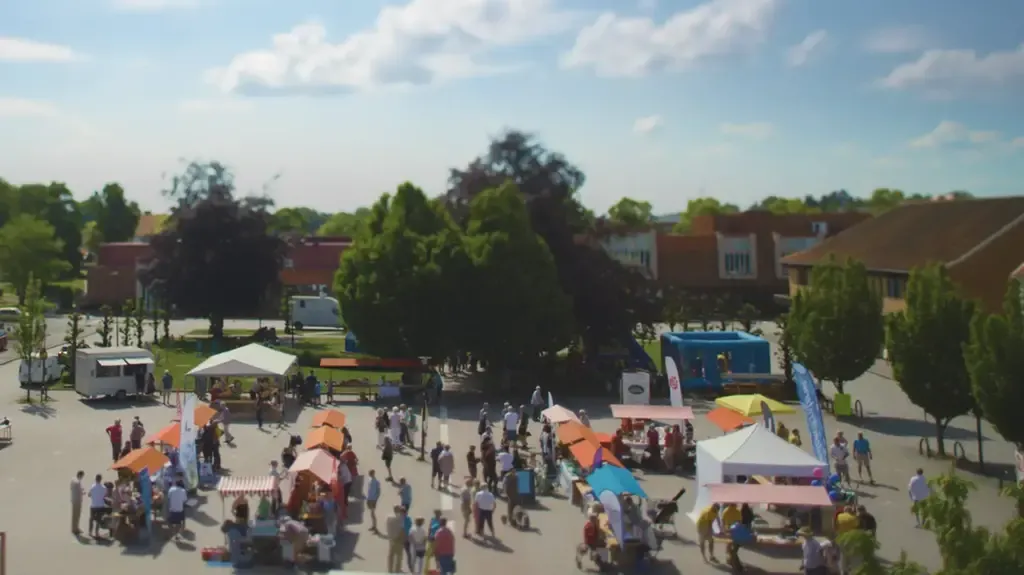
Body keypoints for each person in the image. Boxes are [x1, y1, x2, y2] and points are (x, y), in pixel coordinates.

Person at [385, 506, 407, 573]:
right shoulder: (401, 519)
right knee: (399, 556)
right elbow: (403, 529)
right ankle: (397, 570)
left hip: (391, 539)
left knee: (391, 555)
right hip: (398, 539)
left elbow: (387, 527)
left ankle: (390, 570)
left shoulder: (389, 517)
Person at [87, 474, 107, 538]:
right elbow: (105, 495)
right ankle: (96, 533)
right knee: (98, 519)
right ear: (101, 479)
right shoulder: (104, 488)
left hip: (93, 505)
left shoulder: (92, 487)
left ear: (95, 479)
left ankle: (90, 532)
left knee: (91, 519)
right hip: (100, 505)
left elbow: (89, 495)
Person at [70, 470, 85, 535]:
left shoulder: (73, 479)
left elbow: (71, 488)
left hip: (73, 499)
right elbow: (80, 492)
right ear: (80, 475)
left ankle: (74, 528)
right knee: (77, 515)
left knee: (74, 515)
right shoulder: (78, 482)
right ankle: (76, 529)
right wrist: (83, 492)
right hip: (77, 500)